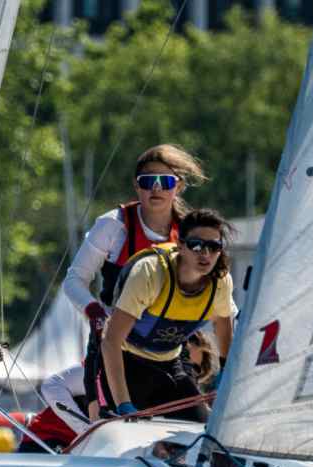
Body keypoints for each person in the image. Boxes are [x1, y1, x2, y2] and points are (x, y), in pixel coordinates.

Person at [62, 144, 207, 419]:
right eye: (147, 181)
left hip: (168, 353)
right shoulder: (112, 225)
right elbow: (74, 280)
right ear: (136, 186)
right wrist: (95, 313)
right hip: (113, 348)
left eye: (165, 182)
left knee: (202, 427)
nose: (156, 189)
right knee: (110, 427)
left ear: (178, 186)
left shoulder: (190, 232)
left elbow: (214, 290)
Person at [99, 208, 235, 422]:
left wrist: (226, 373)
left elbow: (222, 325)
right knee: (133, 431)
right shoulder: (150, 273)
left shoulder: (221, 281)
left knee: (203, 428)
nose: (205, 254)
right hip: (127, 364)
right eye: (196, 245)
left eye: (214, 246)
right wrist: (123, 404)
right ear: (180, 245)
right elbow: (111, 341)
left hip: (171, 363)